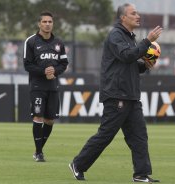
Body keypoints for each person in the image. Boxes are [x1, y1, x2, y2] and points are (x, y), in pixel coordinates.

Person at [69, 3, 162, 183]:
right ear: (123, 18)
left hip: (131, 95)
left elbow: (131, 65)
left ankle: (141, 174)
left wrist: (145, 65)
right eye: (133, 13)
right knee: (106, 134)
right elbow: (127, 56)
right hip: (117, 94)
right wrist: (147, 41)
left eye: (137, 12)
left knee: (139, 136)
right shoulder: (115, 35)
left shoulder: (129, 38)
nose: (138, 15)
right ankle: (78, 164)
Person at [23, 11, 68, 162]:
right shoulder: (31, 42)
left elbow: (64, 64)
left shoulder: (59, 43)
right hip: (37, 86)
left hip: (53, 86)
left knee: (50, 120)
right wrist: (44, 71)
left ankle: (38, 150)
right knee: (38, 117)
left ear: (52, 24)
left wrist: (55, 71)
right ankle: (39, 152)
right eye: (44, 22)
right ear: (39, 24)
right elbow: (27, 65)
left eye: (50, 22)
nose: (47, 24)